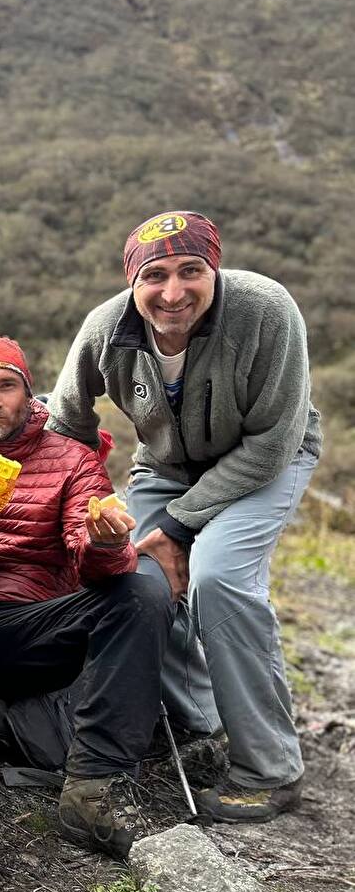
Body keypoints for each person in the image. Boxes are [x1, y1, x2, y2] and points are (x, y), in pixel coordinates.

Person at [49, 211, 323, 823]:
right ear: (133, 283)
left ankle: (269, 769)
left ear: (214, 269)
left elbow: (274, 442)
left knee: (220, 578)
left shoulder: (265, 310)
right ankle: (201, 724)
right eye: (155, 276)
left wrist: (177, 527)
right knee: (133, 576)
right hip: (167, 465)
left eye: (190, 271)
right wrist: (83, 504)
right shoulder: (105, 329)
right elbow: (67, 428)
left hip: (266, 459)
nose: (173, 293)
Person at [0, 335, 174, 858]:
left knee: (142, 586)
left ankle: (91, 785)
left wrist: (106, 541)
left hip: (31, 631)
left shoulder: (71, 460)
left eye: (7, 386)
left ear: (29, 395)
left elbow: (91, 556)